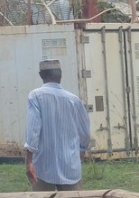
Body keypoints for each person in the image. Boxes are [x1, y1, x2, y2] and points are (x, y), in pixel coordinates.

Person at [24, 59, 91, 191]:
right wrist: (82, 150)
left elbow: (33, 130)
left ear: (41, 76)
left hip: (43, 168)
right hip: (70, 167)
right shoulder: (73, 100)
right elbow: (85, 132)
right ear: (60, 75)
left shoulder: (36, 96)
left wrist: (28, 161)